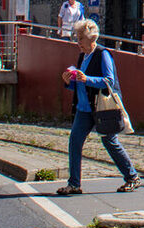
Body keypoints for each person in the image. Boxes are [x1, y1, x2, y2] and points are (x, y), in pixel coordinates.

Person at [58, 19, 139, 195]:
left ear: (91, 39)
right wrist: (68, 83)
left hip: (101, 108)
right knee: (75, 142)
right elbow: (81, 84)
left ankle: (132, 176)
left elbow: (109, 81)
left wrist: (88, 79)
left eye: (80, 38)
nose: (78, 42)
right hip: (84, 108)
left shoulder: (103, 54)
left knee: (109, 141)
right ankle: (74, 184)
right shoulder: (82, 56)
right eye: (77, 38)